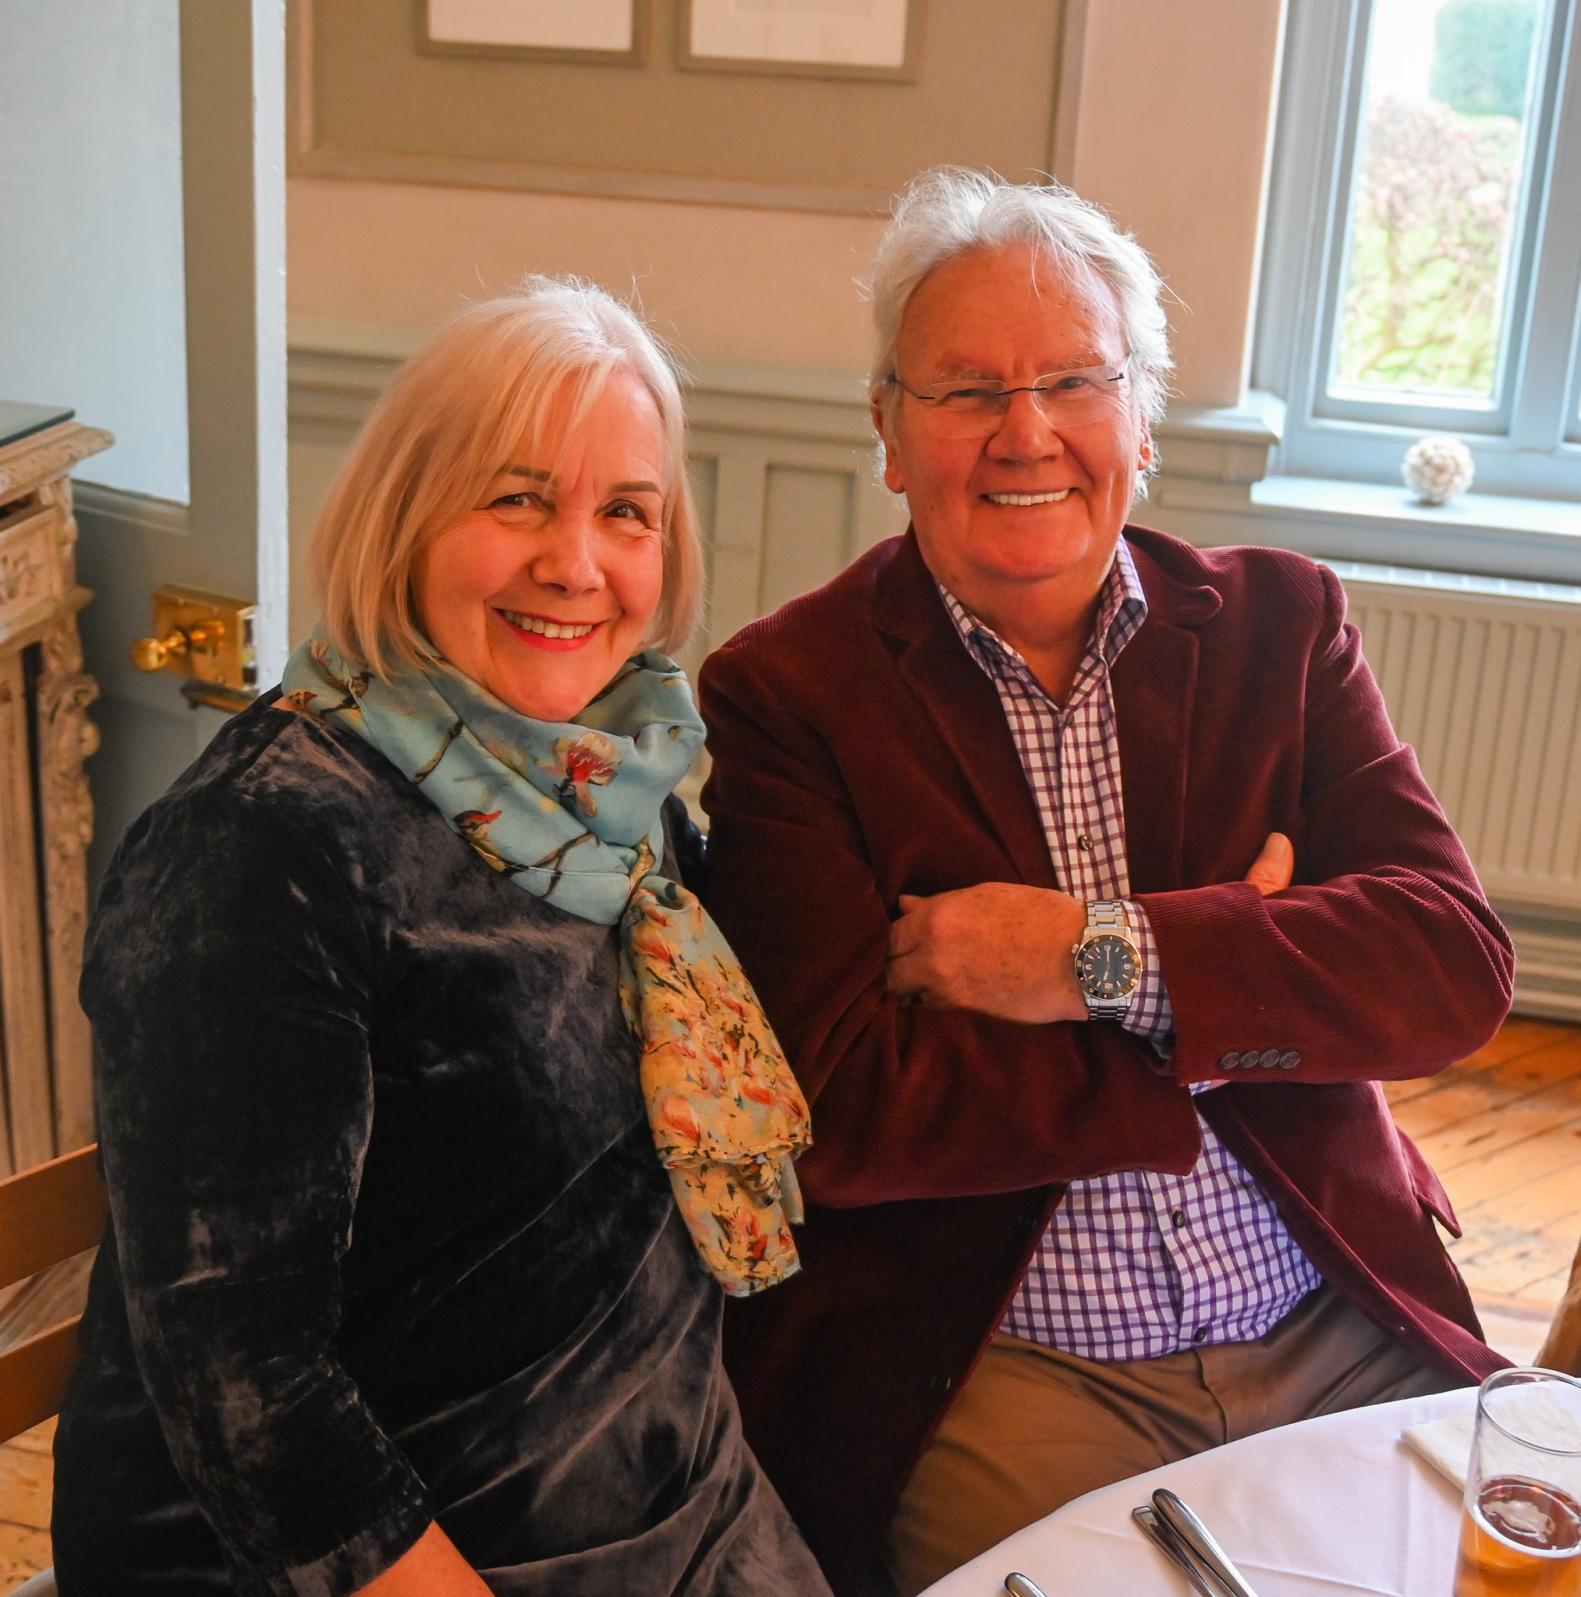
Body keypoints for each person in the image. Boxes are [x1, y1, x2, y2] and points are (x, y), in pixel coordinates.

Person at [698, 168, 1517, 1596]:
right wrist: (1235, 988)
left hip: (1331, 1314)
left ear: (1141, 415)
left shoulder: (1281, 629)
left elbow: (1448, 967)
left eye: (1075, 379)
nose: (1026, 432)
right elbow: (838, 1106)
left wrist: (1099, 959)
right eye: (966, 390)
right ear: (888, 430)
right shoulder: (791, 695)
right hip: (1006, 1370)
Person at [52, 276, 833, 1597]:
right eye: (517, 499)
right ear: (403, 517)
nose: (576, 564)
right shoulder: (263, 843)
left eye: (626, 512)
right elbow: (247, 1388)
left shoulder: (613, 790)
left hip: (672, 1511)